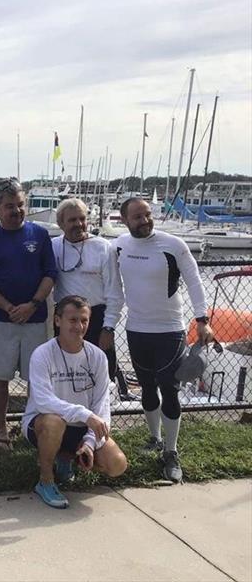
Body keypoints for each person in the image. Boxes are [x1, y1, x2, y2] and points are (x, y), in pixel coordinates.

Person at [115, 197, 213, 483]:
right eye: (137, 217)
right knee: (146, 388)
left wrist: (202, 320)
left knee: (169, 390)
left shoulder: (173, 245)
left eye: (147, 215)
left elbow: (195, 281)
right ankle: (155, 438)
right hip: (136, 329)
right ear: (124, 220)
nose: (145, 221)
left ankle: (171, 451)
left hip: (170, 330)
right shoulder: (118, 245)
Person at [23, 296, 128, 509]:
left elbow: (102, 406)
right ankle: (46, 481)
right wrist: (85, 415)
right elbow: (44, 402)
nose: (79, 326)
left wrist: (90, 443)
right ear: (58, 320)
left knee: (117, 464)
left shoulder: (98, 356)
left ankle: (68, 458)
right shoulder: (42, 354)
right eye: (72, 320)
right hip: (45, 424)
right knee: (55, 422)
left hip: (82, 427)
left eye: (84, 320)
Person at [0, 179, 56, 451]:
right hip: (2, 321)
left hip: (35, 319)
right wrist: (10, 308)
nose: (17, 210)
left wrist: (32, 305)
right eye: (9, 206)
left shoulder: (40, 235)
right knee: (0, 378)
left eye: (21, 204)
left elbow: (50, 275)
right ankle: (1, 430)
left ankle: (34, 427)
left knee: (37, 380)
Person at [52, 198, 123, 384]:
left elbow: (114, 292)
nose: (79, 224)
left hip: (96, 319)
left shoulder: (103, 247)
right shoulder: (53, 247)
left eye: (82, 219)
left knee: (101, 378)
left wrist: (109, 328)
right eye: (72, 220)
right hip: (65, 319)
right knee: (66, 378)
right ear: (61, 224)